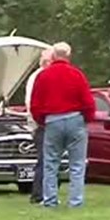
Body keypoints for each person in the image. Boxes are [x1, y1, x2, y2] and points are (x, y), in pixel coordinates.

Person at [29, 42, 96, 208]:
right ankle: (75, 201)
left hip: (52, 121)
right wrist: (86, 119)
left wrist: (42, 121)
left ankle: (50, 199)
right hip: (75, 120)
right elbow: (88, 102)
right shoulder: (77, 75)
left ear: (53, 56)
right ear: (69, 55)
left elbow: (35, 104)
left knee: (51, 163)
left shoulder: (43, 76)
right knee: (77, 164)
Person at [24, 46, 54, 204]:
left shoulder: (44, 76)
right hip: (40, 124)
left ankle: (45, 192)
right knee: (45, 160)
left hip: (44, 123)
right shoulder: (38, 77)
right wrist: (40, 122)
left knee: (47, 159)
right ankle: (39, 194)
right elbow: (32, 104)